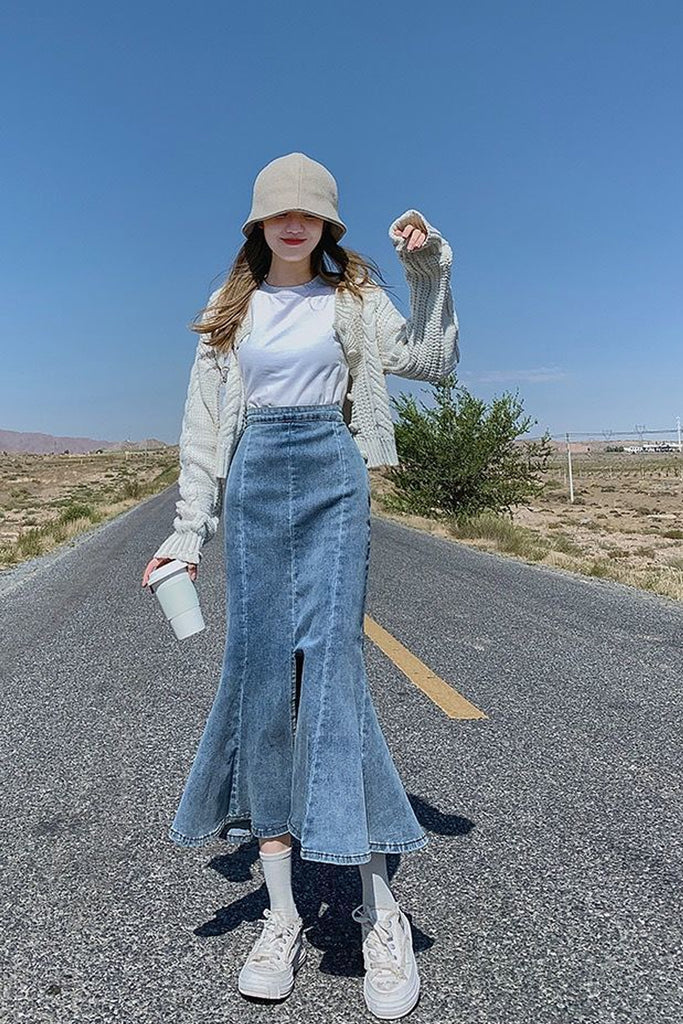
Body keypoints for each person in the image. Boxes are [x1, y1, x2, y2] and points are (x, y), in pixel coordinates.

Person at [142, 151, 459, 1019]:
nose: (293, 223)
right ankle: (280, 917)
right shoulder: (228, 310)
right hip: (252, 482)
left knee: (332, 675)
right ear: (257, 225)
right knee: (259, 681)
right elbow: (202, 431)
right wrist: (185, 535)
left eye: (308, 213)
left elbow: (431, 361)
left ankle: (380, 914)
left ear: (326, 226)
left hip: (331, 472)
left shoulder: (352, 299)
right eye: (278, 212)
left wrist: (427, 270)